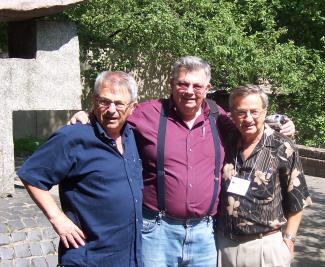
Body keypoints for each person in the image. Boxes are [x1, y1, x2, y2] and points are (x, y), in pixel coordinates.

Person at [69, 56, 296, 267]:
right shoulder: (147, 113)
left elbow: (250, 121)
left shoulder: (220, 118)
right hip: (157, 230)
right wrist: (86, 114)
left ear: (207, 89)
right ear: (171, 84)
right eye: (182, 84)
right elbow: (114, 111)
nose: (189, 91)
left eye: (197, 86)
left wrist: (284, 123)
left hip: (205, 233)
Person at [17, 71, 143, 267]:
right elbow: (32, 175)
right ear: (94, 100)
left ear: (132, 107)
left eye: (119, 103)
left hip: (128, 257)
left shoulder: (133, 136)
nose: (111, 110)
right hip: (88, 258)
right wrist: (57, 218)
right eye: (104, 102)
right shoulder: (73, 137)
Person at [217, 84, 312, 267]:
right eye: (241, 112)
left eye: (255, 112)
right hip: (224, 245)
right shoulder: (225, 142)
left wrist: (289, 240)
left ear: (265, 111)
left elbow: (297, 200)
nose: (248, 118)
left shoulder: (282, 147)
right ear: (232, 113)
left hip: (264, 246)